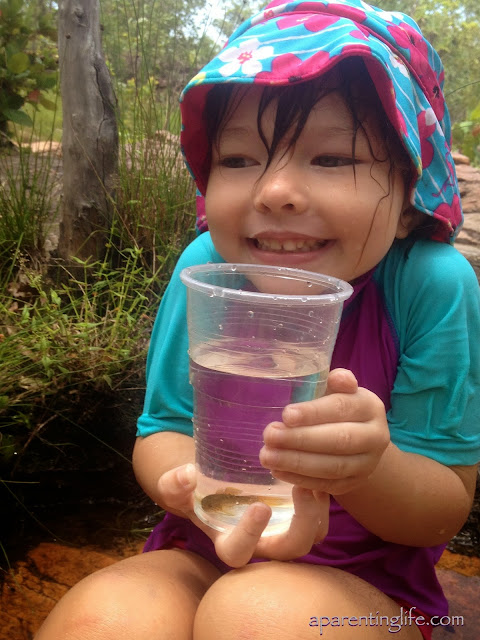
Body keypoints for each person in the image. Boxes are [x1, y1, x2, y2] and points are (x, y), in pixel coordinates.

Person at [35, 1, 480, 639]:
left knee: (259, 616)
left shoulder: (431, 283)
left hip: (369, 592)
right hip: (203, 552)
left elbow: (441, 512)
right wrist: (192, 490)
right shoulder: (208, 267)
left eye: (331, 159)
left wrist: (369, 468)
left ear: (412, 198)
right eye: (239, 160)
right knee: (104, 619)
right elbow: (160, 428)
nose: (274, 192)